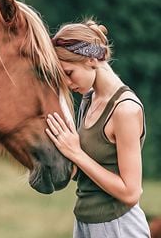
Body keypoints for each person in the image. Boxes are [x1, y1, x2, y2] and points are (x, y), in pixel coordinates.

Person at [45, 19, 151, 237]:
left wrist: (76, 153)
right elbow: (84, 170)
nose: (66, 83)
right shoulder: (89, 99)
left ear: (92, 59)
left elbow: (131, 192)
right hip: (84, 222)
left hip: (118, 226)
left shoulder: (125, 110)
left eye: (68, 72)